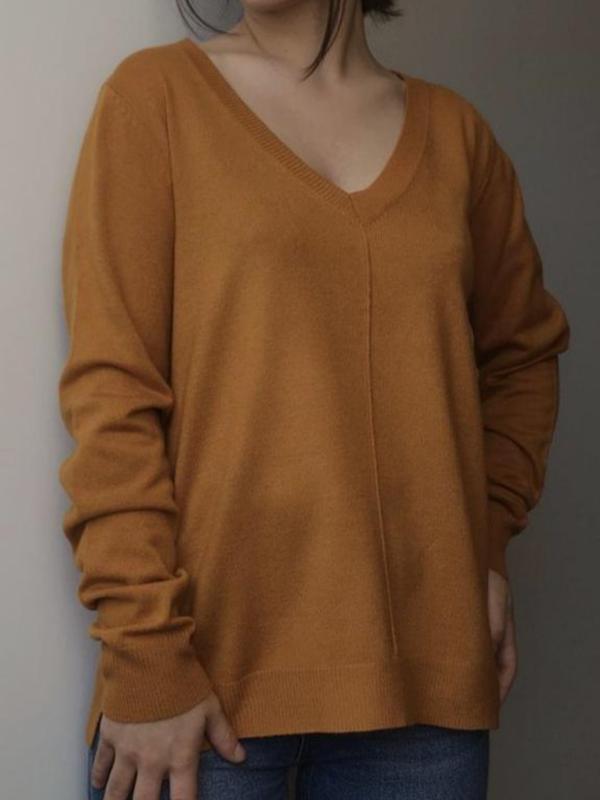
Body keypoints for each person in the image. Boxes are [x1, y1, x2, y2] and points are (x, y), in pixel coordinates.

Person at [57, 0, 571, 797]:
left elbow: (526, 353)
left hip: (424, 703)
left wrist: (486, 543)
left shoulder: (458, 138)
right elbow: (112, 394)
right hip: (198, 693)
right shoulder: (154, 99)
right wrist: (146, 652)